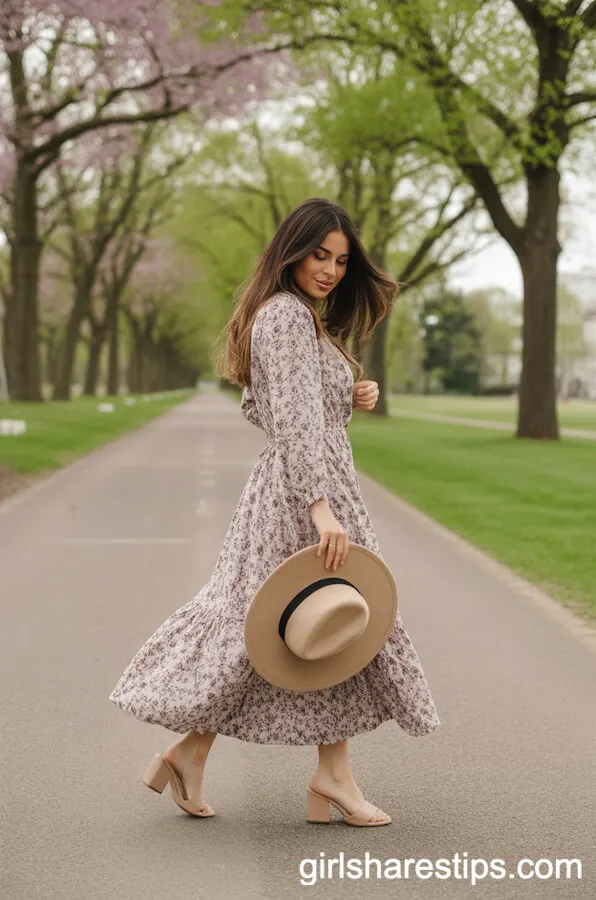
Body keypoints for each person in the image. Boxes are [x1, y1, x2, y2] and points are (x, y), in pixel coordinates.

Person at [109, 197, 441, 827]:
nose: (331, 270)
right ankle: (321, 777)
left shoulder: (295, 317)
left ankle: (229, 760)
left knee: (308, 629)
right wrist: (321, 509)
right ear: (292, 249)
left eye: (341, 260)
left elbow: (265, 405)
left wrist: (350, 390)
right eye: (320, 254)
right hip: (304, 496)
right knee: (316, 625)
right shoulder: (286, 317)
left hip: (304, 486)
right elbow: (288, 421)